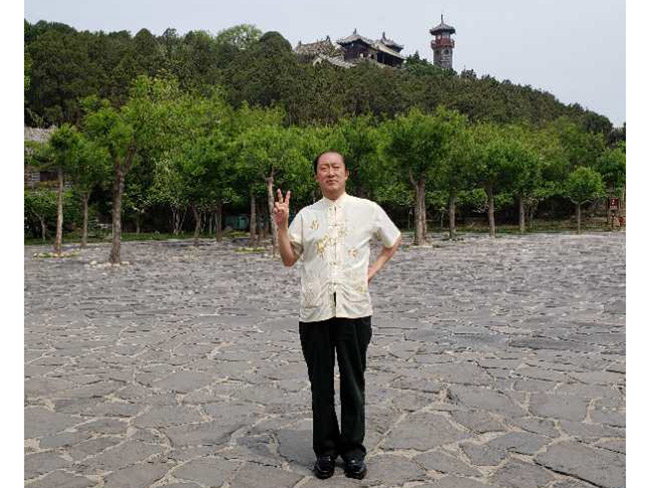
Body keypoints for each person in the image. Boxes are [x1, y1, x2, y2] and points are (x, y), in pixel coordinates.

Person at [273, 151, 401, 480]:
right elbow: (288, 259)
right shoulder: (306, 215)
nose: (330, 173)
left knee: (353, 383)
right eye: (323, 169)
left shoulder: (367, 209)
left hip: (354, 309)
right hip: (314, 311)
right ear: (316, 176)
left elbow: (393, 239)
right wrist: (282, 226)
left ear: (346, 174)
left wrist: (371, 272)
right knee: (320, 386)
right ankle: (326, 451)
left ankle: (354, 452)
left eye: (335, 168)